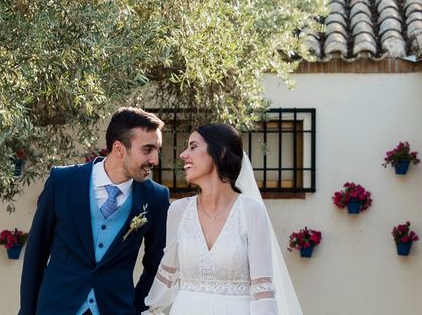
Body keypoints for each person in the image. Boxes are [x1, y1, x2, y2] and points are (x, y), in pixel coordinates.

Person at [19, 107, 170, 315]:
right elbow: (36, 255)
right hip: (57, 308)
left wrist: (136, 308)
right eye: (147, 149)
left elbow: (156, 265)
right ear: (119, 148)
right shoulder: (62, 182)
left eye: (157, 150)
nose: (155, 160)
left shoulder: (156, 197)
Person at [144, 123, 303, 315]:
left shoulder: (251, 211)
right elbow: (167, 274)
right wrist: (152, 310)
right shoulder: (178, 211)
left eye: (193, 146)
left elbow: (263, 290)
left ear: (220, 153)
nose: (183, 154)